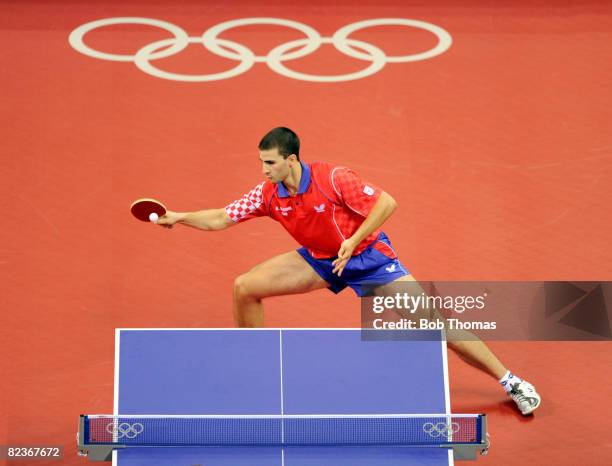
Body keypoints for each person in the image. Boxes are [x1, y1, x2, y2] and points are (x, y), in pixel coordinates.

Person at [157, 127, 541, 415]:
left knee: (435, 323)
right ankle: (256, 363)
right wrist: (180, 217)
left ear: (291, 159)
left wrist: (353, 239)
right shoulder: (268, 194)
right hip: (320, 260)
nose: (263, 169)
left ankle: (511, 381)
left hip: (369, 260)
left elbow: (387, 202)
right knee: (245, 286)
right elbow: (223, 217)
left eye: (270, 162)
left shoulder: (333, 178)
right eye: (261, 161)